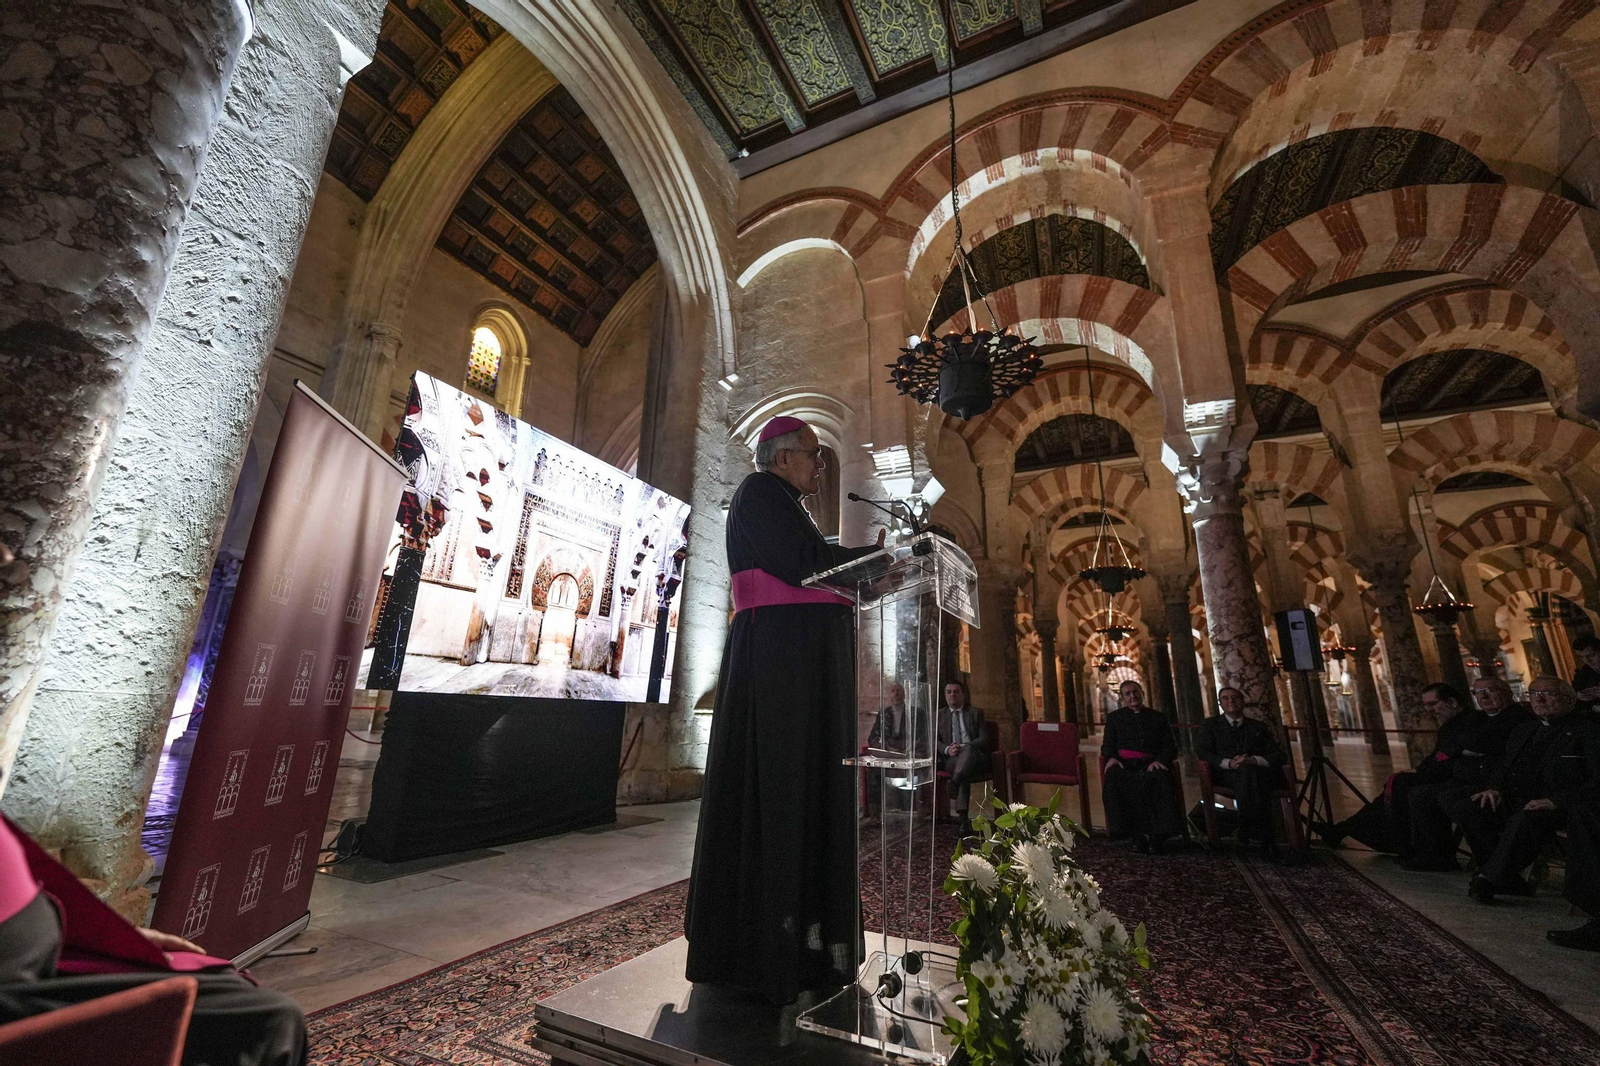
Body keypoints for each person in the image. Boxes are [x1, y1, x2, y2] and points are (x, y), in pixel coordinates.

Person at [684, 415, 888, 1006]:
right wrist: (860, 567)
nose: (817, 464)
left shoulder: (782, 501)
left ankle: (804, 941)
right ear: (780, 457)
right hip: (776, 663)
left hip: (793, 661)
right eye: (811, 453)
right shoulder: (757, 494)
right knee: (774, 791)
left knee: (801, 792)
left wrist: (862, 573)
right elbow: (803, 565)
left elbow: (809, 560)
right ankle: (762, 946)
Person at [0, 809, 306, 1066]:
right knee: (255, 1025)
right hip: (16, 999)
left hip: (55, 954)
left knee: (264, 1017)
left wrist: (109, 936)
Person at [1451, 677, 1600, 909]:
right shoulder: (1525, 729)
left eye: (1548, 694)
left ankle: (1488, 878)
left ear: (1570, 700)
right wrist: (1494, 788)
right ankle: (1505, 875)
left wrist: (1555, 801)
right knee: (1470, 808)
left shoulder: (1588, 731)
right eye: (1533, 694)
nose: (1539, 699)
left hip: (1564, 804)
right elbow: (1505, 765)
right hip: (1520, 797)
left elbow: (1597, 780)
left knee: (1526, 820)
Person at [1323, 683, 1470, 855]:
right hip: (1441, 772)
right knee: (1395, 785)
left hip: (1456, 776)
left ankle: (1394, 842)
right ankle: (1348, 830)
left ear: (1452, 702)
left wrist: (1421, 772)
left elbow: (1452, 757)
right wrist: (1418, 769)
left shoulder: (1470, 722)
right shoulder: (1448, 725)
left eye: (1433, 704)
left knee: (1400, 785)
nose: (1430, 710)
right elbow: (1437, 755)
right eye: (1426, 705)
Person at [1403, 675, 1533, 871]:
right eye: (1478, 693)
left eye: (1490, 690)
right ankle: (1436, 856)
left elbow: (1483, 744)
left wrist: (1468, 747)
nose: (1484, 697)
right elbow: (1458, 742)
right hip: (1471, 777)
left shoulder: (1519, 718)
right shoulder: (1479, 717)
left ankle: (1494, 867)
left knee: (1458, 802)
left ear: (1508, 693)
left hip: (1496, 782)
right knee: (1419, 794)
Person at [1194, 686, 1287, 859]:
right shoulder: (1211, 725)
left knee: (1250, 771)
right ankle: (1267, 838)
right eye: (1226, 698)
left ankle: (1246, 822)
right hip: (1227, 775)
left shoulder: (1257, 727)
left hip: (1255, 774)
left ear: (1242, 702)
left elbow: (1279, 754)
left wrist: (1253, 760)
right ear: (1221, 704)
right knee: (1252, 778)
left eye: (1235, 697)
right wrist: (1229, 763)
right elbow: (1204, 752)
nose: (1231, 701)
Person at [1100, 679, 1182, 853]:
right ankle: (1133, 834)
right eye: (1127, 694)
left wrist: (1160, 760)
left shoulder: (1158, 718)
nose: (1132, 696)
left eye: (1135, 692)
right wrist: (1112, 758)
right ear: (1122, 698)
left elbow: (1170, 746)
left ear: (1142, 694)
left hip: (1151, 763)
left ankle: (1158, 835)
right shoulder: (1114, 719)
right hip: (1125, 765)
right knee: (1113, 777)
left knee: (1161, 778)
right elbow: (1108, 745)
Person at [937, 680, 990, 832]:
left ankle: (962, 818)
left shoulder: (975, 713)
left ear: (963, 695)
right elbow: (934, 741)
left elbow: (984, 739)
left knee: (968, 752)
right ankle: (962, 820)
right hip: (952, 759)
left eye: (956, 691)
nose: (952, 694)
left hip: (976, 758)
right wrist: (947, 749)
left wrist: (965, 747)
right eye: (949, 692)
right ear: (945, 696)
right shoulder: (939, 715)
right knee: (962, 771)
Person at [1572, 635, 1600, 710]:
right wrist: (1578, 695)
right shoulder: (1583, 673)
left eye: (1591, 655)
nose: (1587, 661)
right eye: (1581, 657)